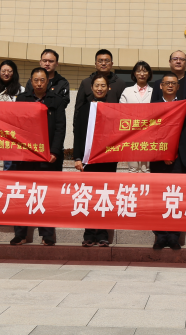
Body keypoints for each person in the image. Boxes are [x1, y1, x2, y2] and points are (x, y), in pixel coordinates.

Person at [10, 67, 67, 246]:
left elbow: (60, 128)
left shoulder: (56, 100)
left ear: (48, 82)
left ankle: (47, 234)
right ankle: (20, 234)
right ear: (31, 81)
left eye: (43, 80)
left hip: (48, 157)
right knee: (22, 194)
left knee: (47, 195)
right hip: (25, 156)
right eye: (36, 80)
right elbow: (15, 125)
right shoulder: (22, 99)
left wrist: (54, 152)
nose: (39, 83)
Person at [150, 73, 186, 250]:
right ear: (161, 86)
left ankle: (174, 236)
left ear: (178, 87)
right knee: (159, 198)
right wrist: (163, 153)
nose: (170, 86)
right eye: (167, 83)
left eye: (173, 83)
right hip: (159, 159)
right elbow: (150, 133)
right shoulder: (154, 107)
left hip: (181, 158)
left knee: (178, 198)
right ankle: (159, 236)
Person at [74, 72, 117, 247]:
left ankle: (103, 234)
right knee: (90, 196)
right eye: (97, 85)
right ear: (91, 88)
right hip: (88, 160)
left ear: (108, 88)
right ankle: (89, 233)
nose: (100, 88)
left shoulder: (114, 109)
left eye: (103, 85)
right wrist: (77, 157)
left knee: (104, 196)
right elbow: (78, 134)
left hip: (108, 160)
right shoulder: (84, 108)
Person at [150, 51, 186, 150]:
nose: (178, 61)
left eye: (182, 59)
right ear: (170, 62)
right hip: (163, 134)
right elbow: (153, 109)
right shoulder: (159, 83)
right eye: (175, 59)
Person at [0, 60, 24, 171]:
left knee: (10, 165)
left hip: (12, 133)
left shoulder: (21, 90)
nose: (6, 73)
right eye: (3, 71)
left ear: (14, 73)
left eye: (9, 71)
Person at [119, 61, 154, 173]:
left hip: (149, 133)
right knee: (133, 167)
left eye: (145, 71)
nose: (142, 74)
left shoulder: (154, 91)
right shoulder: (127, 91)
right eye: (138, 71)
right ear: (134, 73)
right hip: (131, 133)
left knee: (146, 168)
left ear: (149, 74)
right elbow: (121, 111)